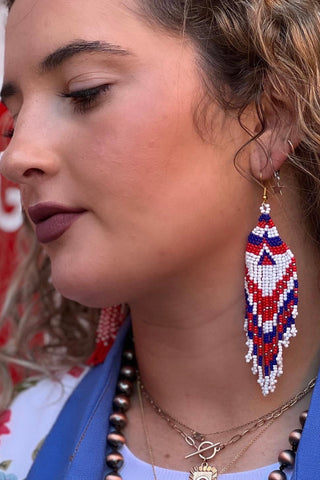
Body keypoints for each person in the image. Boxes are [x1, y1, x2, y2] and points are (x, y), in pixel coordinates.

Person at [0, 0, 320, 479]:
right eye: (12, 119)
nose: (16, 155)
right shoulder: (20, 441)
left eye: (85, 92)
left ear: (268, 122)